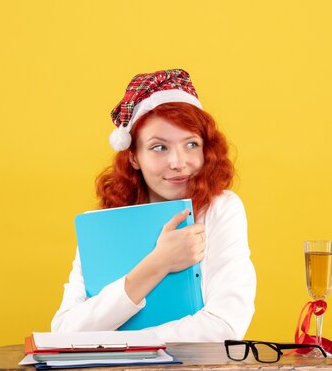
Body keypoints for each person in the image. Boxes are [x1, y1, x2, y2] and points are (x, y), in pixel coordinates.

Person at [51, 69, 256, 341]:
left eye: (191, 144)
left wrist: (113, 343)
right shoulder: (104, 225)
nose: (178, 162)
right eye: (159, 147)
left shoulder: (220, 209)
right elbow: (65, 331)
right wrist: (158, 264)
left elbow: (225, 326)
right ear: (134, 156)